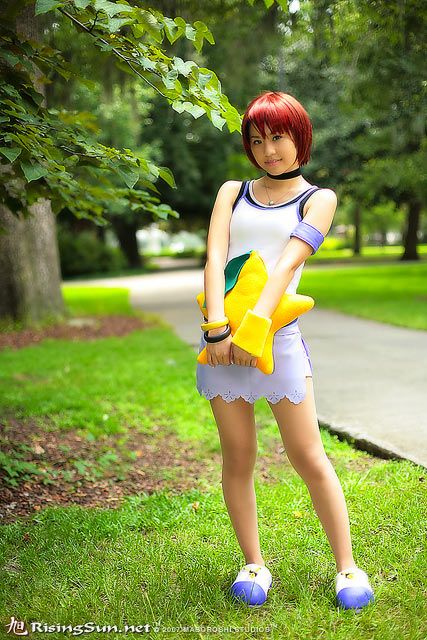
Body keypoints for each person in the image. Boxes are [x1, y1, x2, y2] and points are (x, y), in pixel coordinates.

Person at [195, 90, 375, 611]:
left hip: (278, 341)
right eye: (258, 139)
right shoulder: (232, 191)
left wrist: (253, 330)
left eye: (278, 136)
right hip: (221, 344)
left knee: (307, 455)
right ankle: (253, 563)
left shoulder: (319, 198)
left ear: (299, 137)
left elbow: (284, 267)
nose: (269, 149)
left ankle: (347, 567)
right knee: (238, 457)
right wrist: (216, 330)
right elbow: (214, 258)